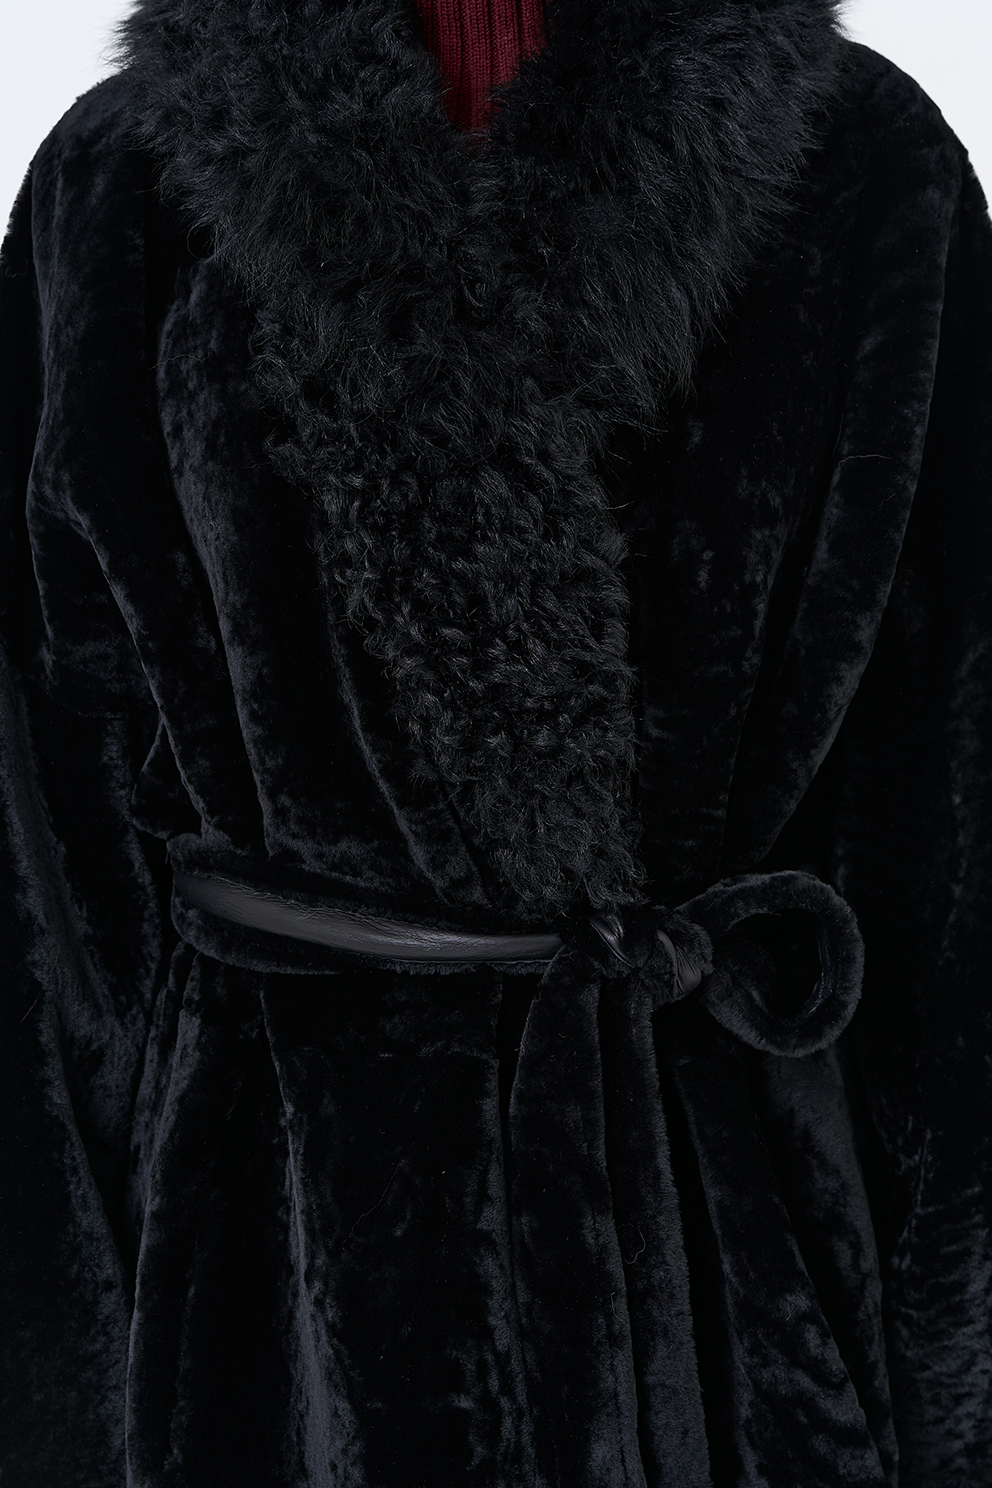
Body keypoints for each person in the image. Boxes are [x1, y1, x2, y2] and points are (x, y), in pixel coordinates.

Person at [2, 0, 991, 1483]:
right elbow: (46, 862)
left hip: (730, 1242)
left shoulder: (869, 164)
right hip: (274, 1238)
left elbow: (950, 843)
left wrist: (955, 1388)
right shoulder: (120, 182)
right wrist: (60, 1397)